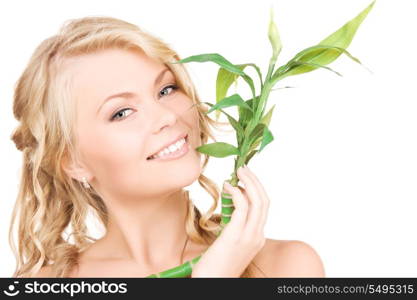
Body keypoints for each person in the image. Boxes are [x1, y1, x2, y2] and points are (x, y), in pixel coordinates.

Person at [9, 16, 325, 278]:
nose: (166, 116)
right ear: (73, 161)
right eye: (121, 112)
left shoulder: (284, 266)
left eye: (166, 89)